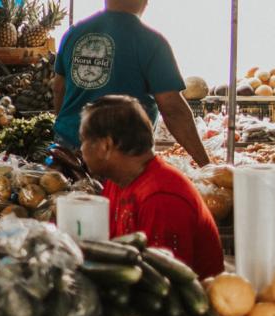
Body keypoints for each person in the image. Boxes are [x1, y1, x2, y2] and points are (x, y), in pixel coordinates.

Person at [80, 95, 224, 278]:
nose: (81, 148)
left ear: (105, 145)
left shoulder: (162, 199)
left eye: (84, 140)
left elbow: (164, 286)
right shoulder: (118, 181)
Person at [52, 0, 210, 167]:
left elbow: (58, 88)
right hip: (119, 155)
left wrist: (67, 128)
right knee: (112, 195)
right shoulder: (150, 41)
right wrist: (206, 165)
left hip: (67, 148)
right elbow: (172, 109)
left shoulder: (73, 33)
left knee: (70, 193)